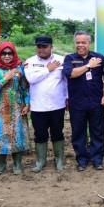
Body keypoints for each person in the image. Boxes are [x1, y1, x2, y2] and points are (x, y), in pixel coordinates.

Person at [63, 31, 104, 171]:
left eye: (84, 42)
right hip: (77, 103)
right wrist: (89, 66)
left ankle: (97, 160)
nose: (80, 45)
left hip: (96, 102)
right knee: (78, 132)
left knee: (98, 131)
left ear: (89, 43)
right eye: (78, 42)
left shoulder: (99, 58)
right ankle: (82, 160)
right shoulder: (69, 58)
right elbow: (71, 74)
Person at [0, 42, 30, 175]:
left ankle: (17, 165)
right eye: (4, 53)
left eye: (10, 53)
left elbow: (25, 89)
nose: (7, 56)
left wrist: (27, 104)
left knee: (16, 134)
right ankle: (1, 165)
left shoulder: (20, 69)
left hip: (16, 107)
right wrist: (6, 78)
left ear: (14, 54)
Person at [24, 36, 67, 172]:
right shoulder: (30, 62)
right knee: (40, 134)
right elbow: (30, 78)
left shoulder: (61, 60)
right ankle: (40, 161)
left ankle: (59, 159)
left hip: (57, 104)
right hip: (38, 106)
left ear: (51, 47)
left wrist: (68, 98)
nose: (41, 49)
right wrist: (48, 69)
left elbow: (66, 81)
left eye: (44, 46)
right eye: (38, 46)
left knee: (57, 132)